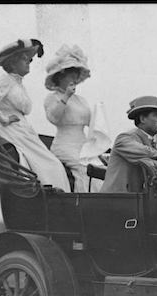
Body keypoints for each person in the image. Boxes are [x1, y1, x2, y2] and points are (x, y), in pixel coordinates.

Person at [0, 38, 70, 191]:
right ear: (12, 63)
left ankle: (54, 194)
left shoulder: (17, 83)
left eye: (29, 59)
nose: (29, 62)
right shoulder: (6, 80)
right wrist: (3, 119)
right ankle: (52, 194)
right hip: (13, 131)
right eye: (24, 59)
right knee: (50, 165)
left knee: (52, 164)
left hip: (23, 131)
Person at [43, 45, 111, 192]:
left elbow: (90, 122)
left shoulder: (81, 100)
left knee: (100, 168)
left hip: (82, 144)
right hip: (65, 145)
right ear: (61, 75)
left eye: (76, 73)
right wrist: (66, 96)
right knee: (84, 168)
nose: (75, 77)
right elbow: (54, 117)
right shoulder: (53, 98)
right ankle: (84, 205)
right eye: (71, 73)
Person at [100, 95, 157, 193]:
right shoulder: (124, 138)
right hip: (116, 200)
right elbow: (146, 153)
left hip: (134, 201)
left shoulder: (151, 141)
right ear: (143, 118)